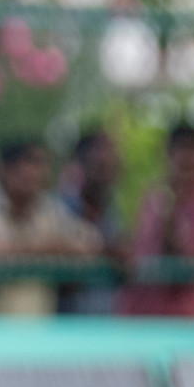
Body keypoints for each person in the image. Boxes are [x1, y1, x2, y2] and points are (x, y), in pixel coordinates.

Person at [0, 139, 101, 315]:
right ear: (5, 168)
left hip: (36, 324)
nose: (36, 172)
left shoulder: (51, 208)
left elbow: (88, 241)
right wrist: (47, 249)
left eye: (41, 164)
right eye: (29, 162)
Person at [118, 123, 194, 318]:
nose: (187, 157)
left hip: (189, 320)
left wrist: (170, 216)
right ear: (167, 153)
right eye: (181, 149)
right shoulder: (153, 196)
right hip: (139, 316)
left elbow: (187, 265)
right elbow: (138, 249)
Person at [58, 128, 125, 314]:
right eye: (100, 164)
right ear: (81, 163)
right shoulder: (58, 209)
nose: (108, 170)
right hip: (64, 323)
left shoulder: (113, 212)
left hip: (103, 323)